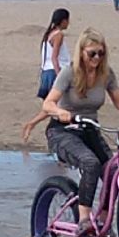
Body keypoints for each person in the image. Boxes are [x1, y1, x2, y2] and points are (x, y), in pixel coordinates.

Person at [42, 27, 119, 237]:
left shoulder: (106, 74)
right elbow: (48, 103)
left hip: (90, 128)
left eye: (101, 53)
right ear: (81, 52)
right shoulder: (69, 72)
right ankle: (84, 220)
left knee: (113, 172)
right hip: (63, 130)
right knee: (90, 163)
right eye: (92, 53)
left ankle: (101, 221)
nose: (97, 58)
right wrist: (60, 112)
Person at [21, 8, 71, 142]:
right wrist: (60, 76)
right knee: (59, 107)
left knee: (51, 107)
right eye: (68, 20)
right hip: (53, 72)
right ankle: (46, 130)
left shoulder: (48, 34)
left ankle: (31, 124)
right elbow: (55, 58)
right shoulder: (58, 35)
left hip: (46, 72)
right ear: (64, 21)